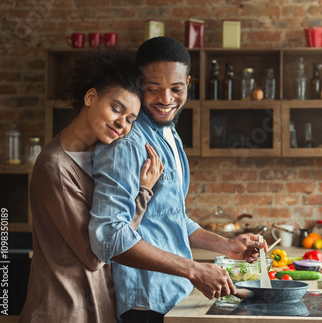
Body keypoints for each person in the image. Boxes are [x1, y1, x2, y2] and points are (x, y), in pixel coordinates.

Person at [89, 36, 267, 322]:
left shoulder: (169, 134)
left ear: (188, 82)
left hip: (174, 297)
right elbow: (109, 238)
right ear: (138, 84)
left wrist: (225, 245)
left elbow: (168, 216)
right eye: (153, 88)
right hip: (143, 304)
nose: (166, 99)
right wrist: (194, 269)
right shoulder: (127, 143)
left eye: (176, 88)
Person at [19, 49, 163, 323]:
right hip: (63, 312)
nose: (122, 124)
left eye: (131, 119)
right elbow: (97, 252)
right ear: (90, 97)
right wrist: (143, 193)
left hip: (94, 306)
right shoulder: (56, 167)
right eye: (116, 109)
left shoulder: (99, 157)